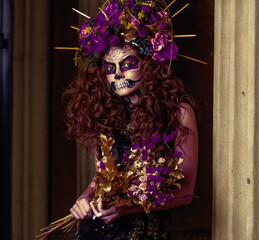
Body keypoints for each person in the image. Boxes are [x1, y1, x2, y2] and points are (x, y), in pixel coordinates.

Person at [62, 1, 198, 239]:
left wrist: (127, 208)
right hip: (99, 231)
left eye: (127, 64)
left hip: (146, 232)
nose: (118, 74)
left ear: (147, 66)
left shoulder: (178, 112)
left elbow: (186, 191)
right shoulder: (104, 113)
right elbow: (101, 178)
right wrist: (84, 199)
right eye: (110, 67)